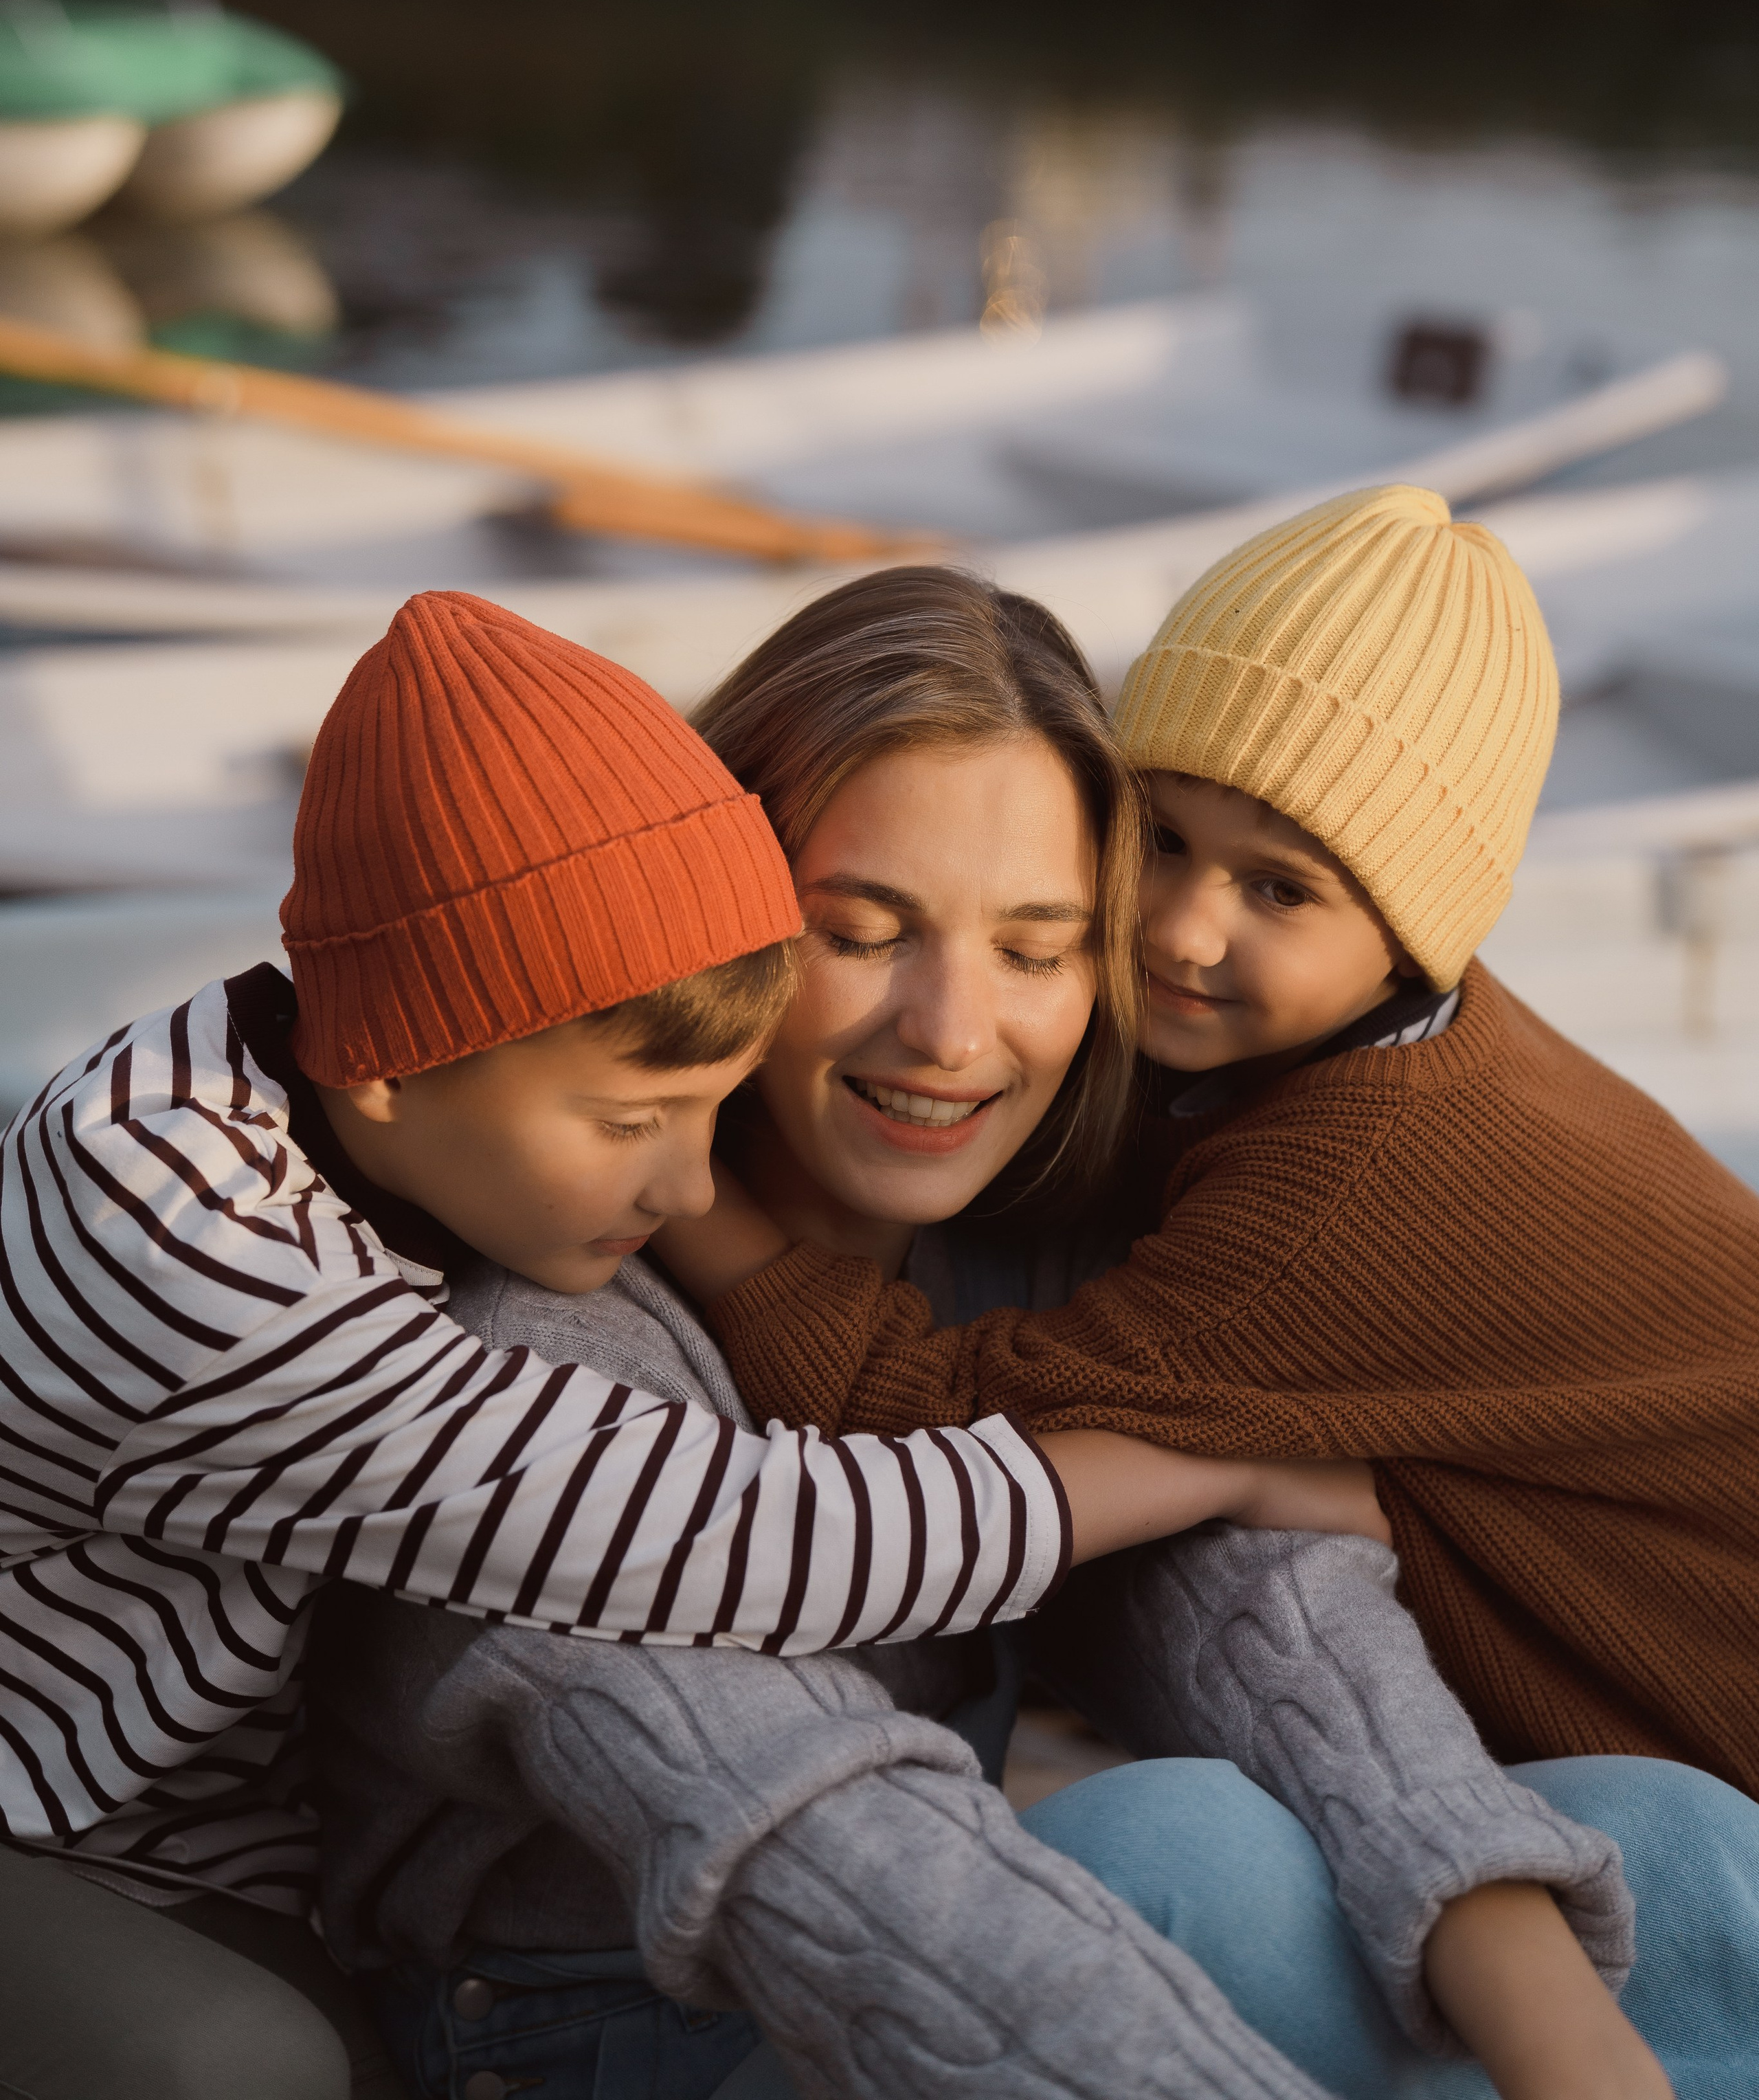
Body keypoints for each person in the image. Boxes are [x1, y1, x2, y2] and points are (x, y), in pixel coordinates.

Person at [320, 566, 1681, 2100]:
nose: (953, 1035)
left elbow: (1251, 1612)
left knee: (1664, 1844)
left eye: (1036, 950)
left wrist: (1558, 2035)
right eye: (861, 929)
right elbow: (823, 1841)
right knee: (1157, 1859)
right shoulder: (535, 1348)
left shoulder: (1040, 1250)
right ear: (718, 918)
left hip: (957, 1948)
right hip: (604, 2034)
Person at [0, 588, 1317, 2100]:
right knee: (244, 2069)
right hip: (64, 1827)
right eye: (860, 929)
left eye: (1040, 946)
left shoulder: (379, 1098)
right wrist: (1196, 1464)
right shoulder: (209, 1270)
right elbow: (737, 1533)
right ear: (379, 1069)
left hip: (212, 1821)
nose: (691, 1192)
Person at [660, 504, 1759, 2086]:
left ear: (1409, 930)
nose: (1179, 930)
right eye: (1160, 839)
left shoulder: (1351, 1181)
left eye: (1279, 890)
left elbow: (924, 1429)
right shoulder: (1381, 1048)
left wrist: (686, 1189)